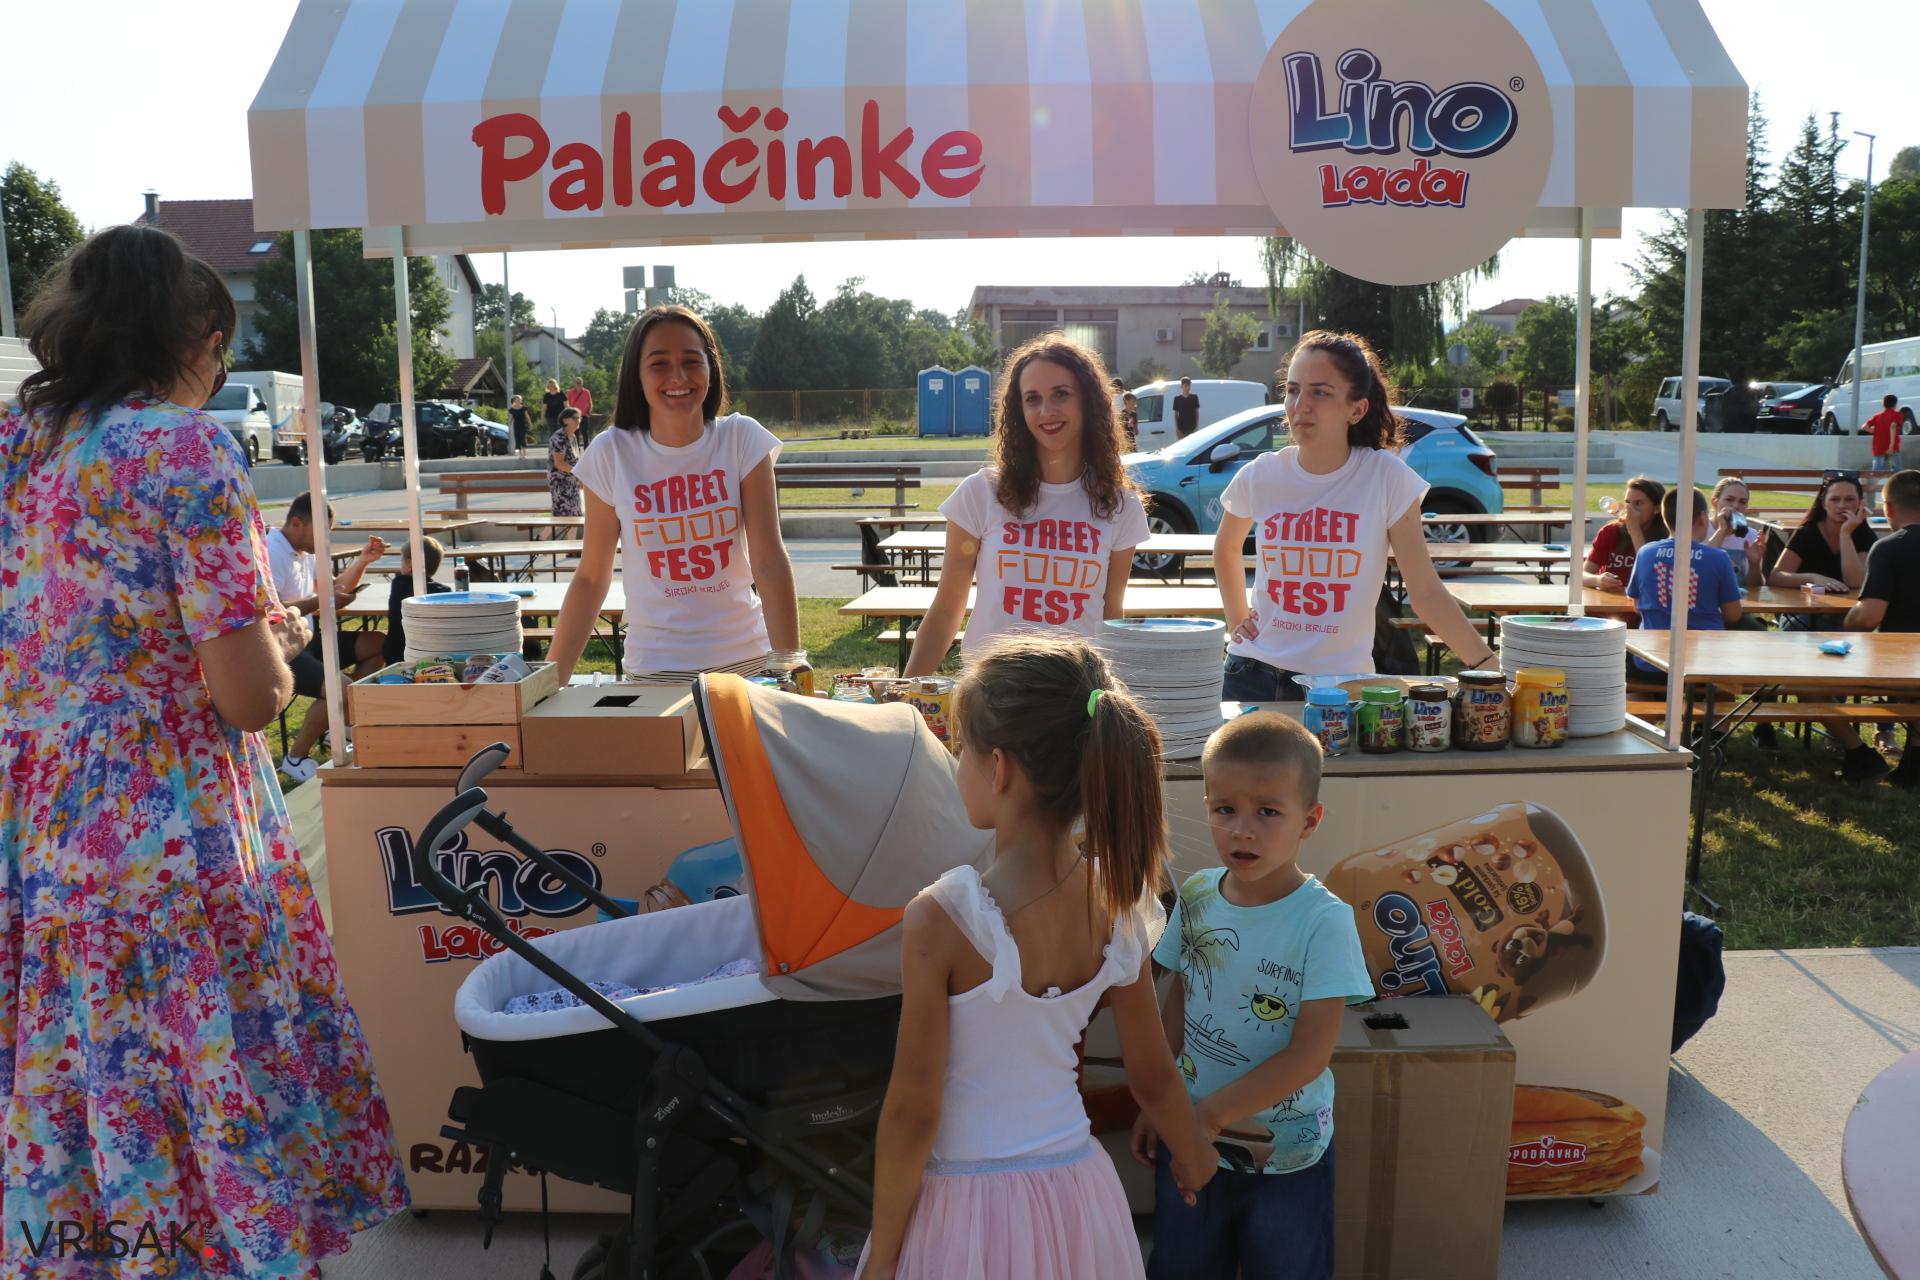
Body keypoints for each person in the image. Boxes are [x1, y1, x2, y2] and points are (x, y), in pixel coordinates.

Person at [0, 224, 407, 1271]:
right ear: (194, 338)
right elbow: (246, 694)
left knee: (88, 1059)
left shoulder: (17, 448)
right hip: (168, 819)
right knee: (204, 1052)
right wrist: (288, 637)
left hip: (42, 819)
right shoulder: (184, 450)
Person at [859, 635, 1215, 1279]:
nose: (955, 761)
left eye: (960, 747)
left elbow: (913, 1110)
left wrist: (883, 1257)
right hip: (1078, 1195)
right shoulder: (1120, 901)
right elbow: (1155, 1075)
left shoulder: (943, 918)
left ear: (999, 769)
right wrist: (1190, 1153)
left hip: (964, 1212)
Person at [1133, 712, 1373, 1280]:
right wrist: (1158, 1103)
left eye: (1267, 811)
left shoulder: (1324, 922)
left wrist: (1209, 1116)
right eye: (1225, 809)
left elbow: (1310, 1053)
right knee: (1183, 1264)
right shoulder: (1194, 896)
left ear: (1309, 821)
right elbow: (1177, 1001)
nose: (1243, 829)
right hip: (1189, 1135)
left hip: (1286, 1153)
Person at [1212, 331, 1495, 702]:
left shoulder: (1386, 478)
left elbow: (1425, 592)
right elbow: (1225, 549)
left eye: (1320, 392)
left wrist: (1490, 669)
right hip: (1251, 674)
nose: (1300, 405)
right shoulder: (1261, 474)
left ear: (1356, 409)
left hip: (1340, 686)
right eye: (1293, 389)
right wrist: (1237, 617)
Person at [548, 305, 799, 684]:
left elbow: (769, 562)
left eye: (691, 360)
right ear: (637, 374)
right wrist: (550, 684)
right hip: (655, 672)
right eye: (660, 363)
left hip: (749, 666)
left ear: (711, 368)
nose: (678, 376)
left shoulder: (742, 438)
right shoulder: (611, 452)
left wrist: (790, 670)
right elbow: (590, 579)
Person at [902, 336, 1149, 677]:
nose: (1046, 411)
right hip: (992, 695)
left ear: (1088, 402)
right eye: (1033, 399)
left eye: (1061, 394)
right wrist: (905, 697)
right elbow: (946, 611)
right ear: (1019, 409)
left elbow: (1110, 616)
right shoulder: (981, 493)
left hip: (1076, 697)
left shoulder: (1120, 506)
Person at [271, 491, 390, 780]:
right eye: (323, 532)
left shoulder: (306, 551)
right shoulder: (270, 551)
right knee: (341, 688)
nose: (326, 541)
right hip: (283, 649)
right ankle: (295, 758)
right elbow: (270, 611)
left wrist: (362, 561)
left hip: (311, 638)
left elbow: (332, 588)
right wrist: (320, 602)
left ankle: (343, 728)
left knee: (380, 643)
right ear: (297, 523)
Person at [1844, 468, 1920, 785]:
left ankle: (1858, 752)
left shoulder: (1889, 547)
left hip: (1899, 664)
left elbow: (1870, 616)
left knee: (1803, 683)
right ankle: (1913, 765)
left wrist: (1843, 626)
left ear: (1888, 508)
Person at [1626, 488, 1745, 675]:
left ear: (1666, 519)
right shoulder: (1718, 558)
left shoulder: (1645, 552)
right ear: (1703, 518)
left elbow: (1637, 605)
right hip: (1704, 663)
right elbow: (1733, 615)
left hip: (1651, 660)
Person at [1767, 471, 1878, 623]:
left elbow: (1855, 582)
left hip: (1846, 613)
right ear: (1823, 503)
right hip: (1804, 613)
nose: (1842, 505)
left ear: (1860, 503)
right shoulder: (1807, 533)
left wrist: (1845, 535)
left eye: (1850, 499)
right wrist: (1813, 577)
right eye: (1834, 499)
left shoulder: (1865, 535)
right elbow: (1776, 577)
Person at [1583, 476, 1667, 591]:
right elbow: (1582, 575)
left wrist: (1634, 530)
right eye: (1627, 502)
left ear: (1656, 509)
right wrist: (1597, 580)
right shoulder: (1610, 531)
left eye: (1638, 503)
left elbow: (1651, 576)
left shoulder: (1666, 537)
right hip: (1609, 603)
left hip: (1644, 603)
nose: (1630, 509)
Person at [384, 534, 453, 663]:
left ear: (410, 563)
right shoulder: (444, 592)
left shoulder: (399, 584)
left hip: (397, 652)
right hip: (434, 654)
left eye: (401, 559)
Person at [549, 405, 584, 517]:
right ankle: (542, 536)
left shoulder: (572, 437)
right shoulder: (559, 437)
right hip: (561, 483)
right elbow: (559, 463)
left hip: (572, 481)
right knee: (564, 516)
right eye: (574, 417)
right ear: (565, 420)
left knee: (575, 515)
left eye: (579, 417)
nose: (578, 420)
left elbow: (575, 460)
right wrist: (579, 473)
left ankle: (541, 536)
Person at [1866, 393, 1904, 480]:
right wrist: (1891, 445)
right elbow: (1893, 426)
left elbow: (1864, 427)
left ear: (1883, 404)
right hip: (1893, 447)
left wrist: (1875, 431)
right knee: (1897, 472)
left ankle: (1877, 491)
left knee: (1877, 473)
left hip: (1878, 446)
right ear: (1895, 404)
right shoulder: (1897, 414)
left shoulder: (1877, 416)